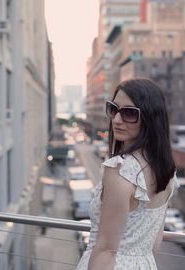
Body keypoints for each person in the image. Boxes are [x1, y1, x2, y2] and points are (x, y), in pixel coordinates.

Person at [76, 78, 179, 270]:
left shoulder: (121, 170)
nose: (116, 119)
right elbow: (155, 241)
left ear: (150, 118)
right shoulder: (166, 169)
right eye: (113, 109)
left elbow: (106, 249)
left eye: (130, 113)